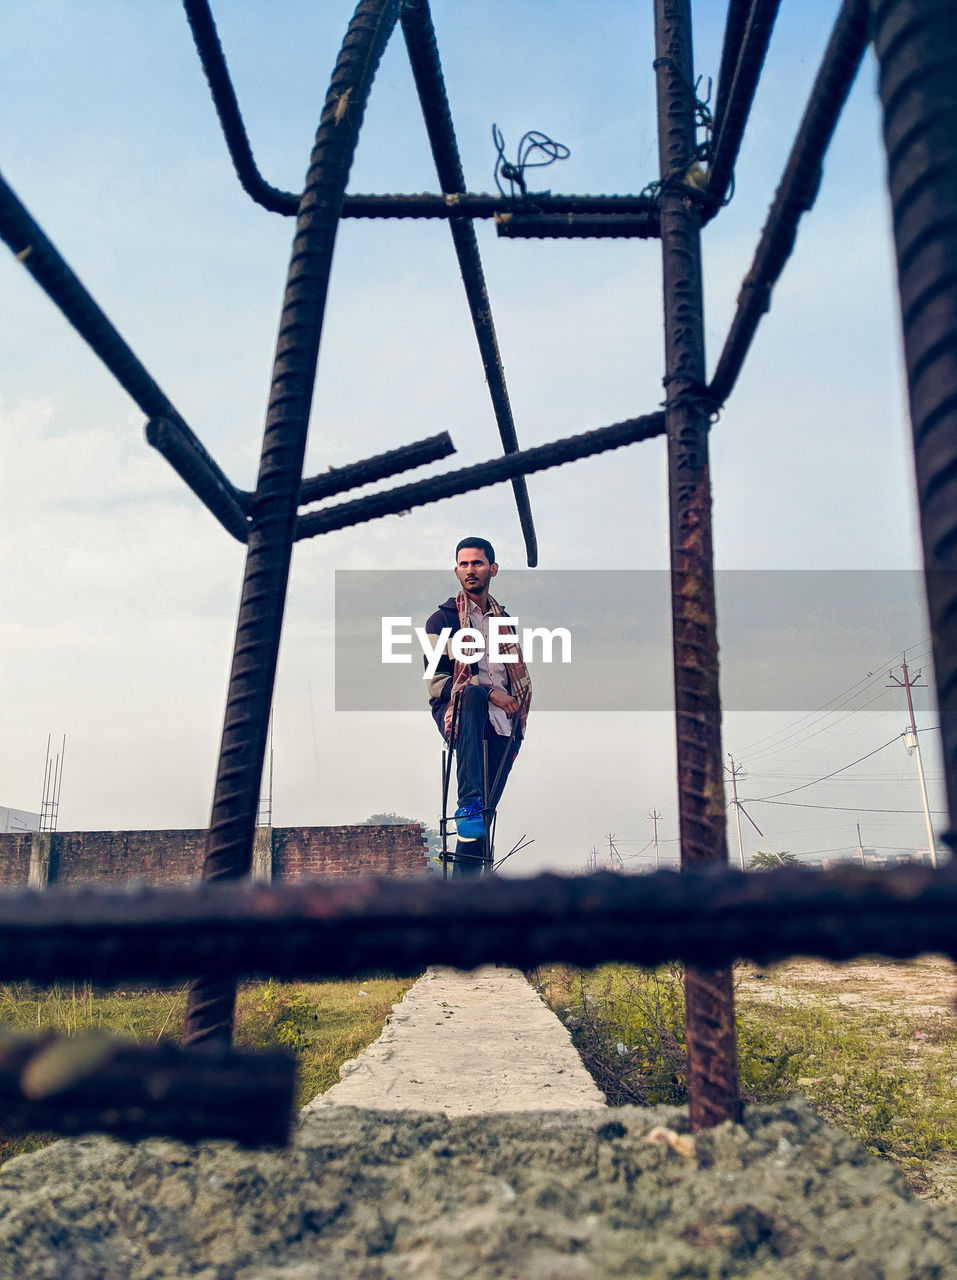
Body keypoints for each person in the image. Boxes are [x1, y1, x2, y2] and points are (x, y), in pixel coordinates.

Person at [423, 537, 531, 876]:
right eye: (464, 564)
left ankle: (465, 896)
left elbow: (513, 678)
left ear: (492, 569)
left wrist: (509, 702)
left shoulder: (504, 623)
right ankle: (466, 802)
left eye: (478, 563)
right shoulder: (440, 622)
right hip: (463, 712)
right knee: (471, 695)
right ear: (456, 570)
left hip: (505, 723)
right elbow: (436, 682)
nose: (471, 570)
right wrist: (487, 694)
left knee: (481, 820)